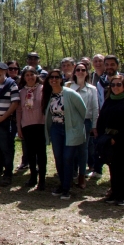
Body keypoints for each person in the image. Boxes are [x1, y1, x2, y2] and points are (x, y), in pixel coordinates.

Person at [42, 68, 87, 200]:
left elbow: (82, 111)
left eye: (57, 77)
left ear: (61, 79)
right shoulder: (50, 95)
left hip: (70, 129)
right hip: (56, 129)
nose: (54, 80)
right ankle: (63, 184)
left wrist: (76, 125)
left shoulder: (69, 93)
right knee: (58, 158)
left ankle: (67, 188)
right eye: (51, 78)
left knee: (68, 158)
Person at [97, 74, 124, 206]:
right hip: (109, 139)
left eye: (118, 84)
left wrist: (116, 138)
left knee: (123, 167)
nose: (115, 87)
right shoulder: (109, 100)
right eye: (113, 85)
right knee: (113, 167)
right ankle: (114, 193)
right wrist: (102, 135)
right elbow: (101, 119)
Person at [66, 62, 100, 189]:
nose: (80, 72)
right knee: (70, 149)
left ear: (86, 73)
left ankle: (81, 175)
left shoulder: (92, 89)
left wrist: (94, 126)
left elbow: (95, 109)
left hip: (85, 122)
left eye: (83, 70)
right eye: (78, 70)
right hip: (70, 122)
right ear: (74, 72)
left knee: (83, 150)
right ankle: (69, 175)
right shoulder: (68, 87)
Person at [16, 67, 46, 189]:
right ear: (23, 77)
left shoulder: (43, 89)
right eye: (27, 75)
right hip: (27, 125)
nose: (30, 77)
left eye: (32, 74)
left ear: (36, 75)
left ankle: (42, 180)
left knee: (41, 153)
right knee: (30, 153)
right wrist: (19, 127)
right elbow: (19, 111)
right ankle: (33, 177)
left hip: (41, 125)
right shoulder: (21, 92)